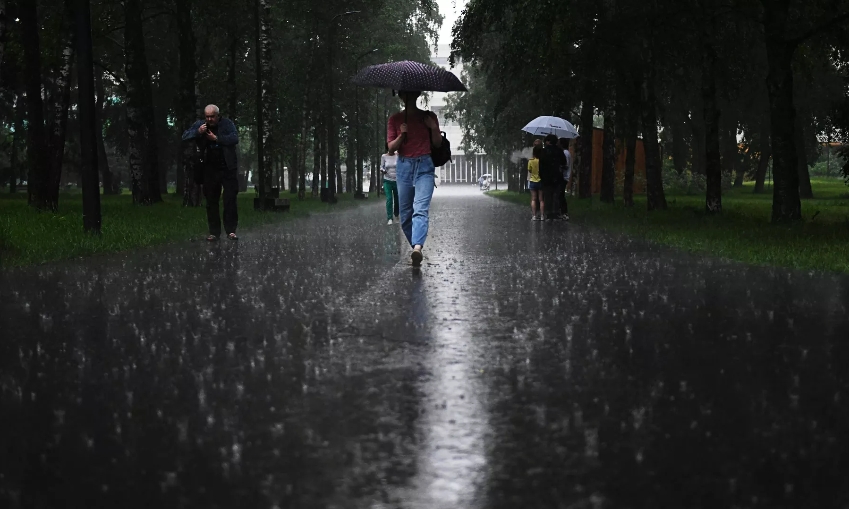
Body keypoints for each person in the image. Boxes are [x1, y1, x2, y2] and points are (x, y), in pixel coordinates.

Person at [387, 90, 442, 267]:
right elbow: (390, 149)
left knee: (420, 209)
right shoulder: (395, 119)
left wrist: (433, 127)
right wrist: (402, 135)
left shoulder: (429, 116)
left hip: (425, 166)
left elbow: (437, 144)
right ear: (402, 97)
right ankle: (416, 249)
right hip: (403, 167)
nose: (409, 97)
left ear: (417, 94)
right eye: (405, 94)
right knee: (405, 217)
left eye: (412, 94)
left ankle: (417, 248)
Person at [182, 105, 240, 241]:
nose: (209, 119)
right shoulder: (200, 124)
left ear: (218, 115)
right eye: (207, 117)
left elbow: (234, 138)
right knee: (211, 200)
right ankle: (214, 232)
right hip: (209, 167)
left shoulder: (227, 124)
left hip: (227, 167)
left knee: (230, 199)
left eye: (212, 116)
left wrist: (217, 139)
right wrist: (198, 132)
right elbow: (185, 136)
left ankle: (231, 231)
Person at [540, 134, 567, 221]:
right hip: (557, 176)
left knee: (547, 196)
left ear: (548, 141)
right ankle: (555, 213)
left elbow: (541, 165)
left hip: (546, 177)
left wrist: (542, 176)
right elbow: (564, 162)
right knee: (556, 195)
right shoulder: (559, 151)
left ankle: (548, 213)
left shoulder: (544, 151)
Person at [381, 144, 399, 225]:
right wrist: (383, 170)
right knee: (389, 199)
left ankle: (396, 214)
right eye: (390, 147)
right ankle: (389, 218)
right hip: (387, 180)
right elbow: (381, 167)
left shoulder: (398, 155)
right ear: (387, 148)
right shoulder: (384, 156)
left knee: (397, 199)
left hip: (397, 181)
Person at [528, 145, 544, 220]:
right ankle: (542, 216)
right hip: (540, 181)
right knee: (541, 199)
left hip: (533, 181)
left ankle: (534, 216)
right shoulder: (542, 161)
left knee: (534, 199)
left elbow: (529, 170)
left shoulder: (530, 160)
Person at [559, 138, 572, 221]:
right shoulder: (566, 153)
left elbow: (565, 165)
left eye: (559, 143)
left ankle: (564, 213)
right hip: (564, 177)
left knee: (561, 195)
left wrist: (559, 166)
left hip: (564, 177)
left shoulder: (565, 153)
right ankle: (562, 212)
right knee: (560, 195)